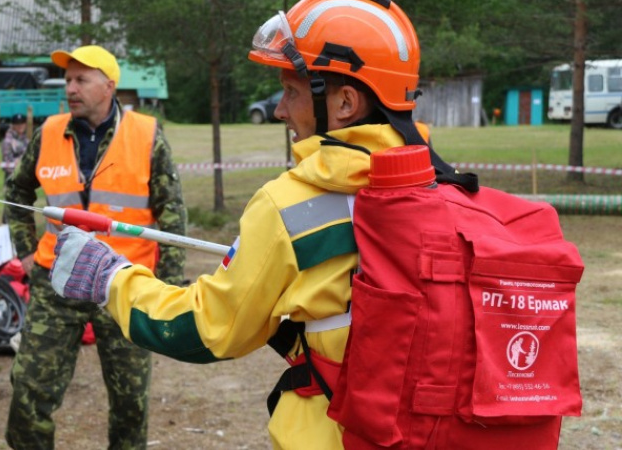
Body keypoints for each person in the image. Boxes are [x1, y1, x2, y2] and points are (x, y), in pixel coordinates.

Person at [46, 2, 471, 449]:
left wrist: (111, 279)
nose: (279, 110)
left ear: (344, 103)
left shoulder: (289, 206)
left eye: (292, 91)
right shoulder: (446, 190)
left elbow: (208, 330)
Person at [4, 44, 187, 450]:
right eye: (68, 80)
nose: (70, 87)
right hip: (56, 283)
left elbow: (171, 211)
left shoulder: (147, 135)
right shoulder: (48, 132)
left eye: (81, 79)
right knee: (28, 393)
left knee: (130, 403)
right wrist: (25, 251)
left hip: (124, 284)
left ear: (109, 85)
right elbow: (16, 191)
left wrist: (169, 286)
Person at [0, 113, 29, 223]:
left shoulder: (25, 140)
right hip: (12, 179)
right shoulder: (8, 141)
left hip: (24, 180)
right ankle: (5, 233)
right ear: (13, 125)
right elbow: (7, 164)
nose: (20, 126)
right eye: (17, 124)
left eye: (22, 124)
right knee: (10, 207)